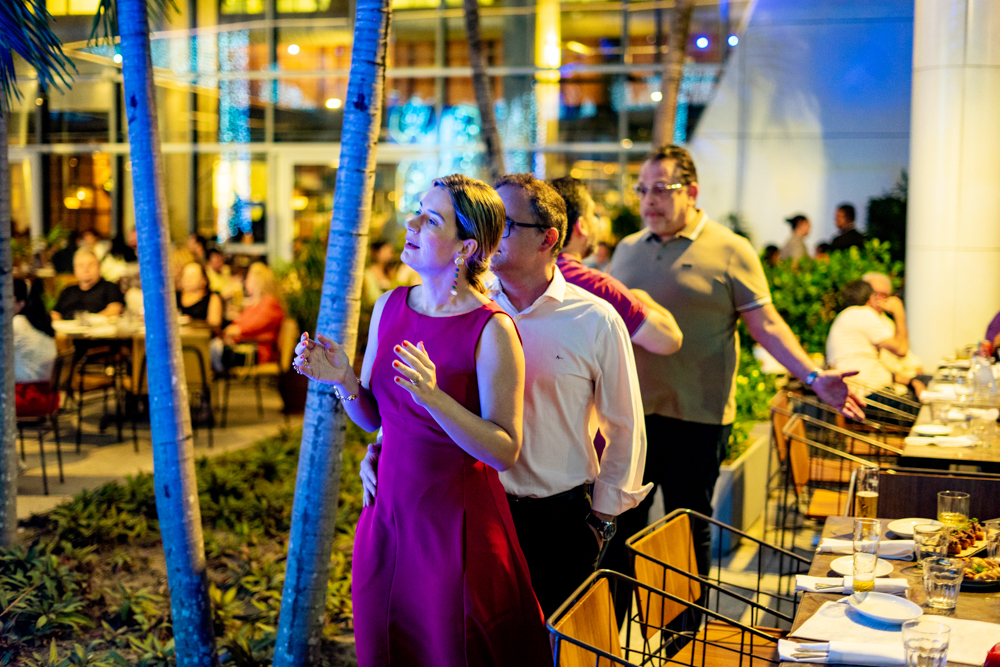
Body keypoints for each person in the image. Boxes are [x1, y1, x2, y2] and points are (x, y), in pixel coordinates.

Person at [293, 174, 550, 667]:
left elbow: (504, 449)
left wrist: (435, 398)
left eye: (431, 219)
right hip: (387, 520)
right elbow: (374, 417)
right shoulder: (390, 305)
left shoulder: (493, 329)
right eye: (417, 210)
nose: (410, 223)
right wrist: (343, 378)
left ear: (466, 248)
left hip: (454, 531)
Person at [605, 145, 865, 605]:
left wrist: (812, 376)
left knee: (687, 530)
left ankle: (685, 636)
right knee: (621, 530)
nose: (649, 200)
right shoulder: (626, 250)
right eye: (642, 189)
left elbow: (766, 325)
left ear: (691, 192)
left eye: (661, 189)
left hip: (697, 419)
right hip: (632, 420)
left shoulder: (730, 249)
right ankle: (610, 634)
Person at [488, 173, 650, 617]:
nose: (490, 234)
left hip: (560, 521)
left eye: (505, 224)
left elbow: (625, 428)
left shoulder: (594, 319)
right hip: (480, 512)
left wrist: (602, 522)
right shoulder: (471, 307)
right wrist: (381, 448)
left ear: (548, 238)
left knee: (558, 642)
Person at [549, 176, 683, 356]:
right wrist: (639, 297)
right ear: (582, 226)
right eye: (593, 214)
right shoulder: (598, 287)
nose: (597, 222)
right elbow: (668, 339)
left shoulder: (531, 275)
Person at [826, 279, 922, 402]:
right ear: (870, 298)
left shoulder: (846, 316)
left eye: (885, 296)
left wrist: (911, 381)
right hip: (871, 397)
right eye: (877, 295)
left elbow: (877, 368)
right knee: (930, 400)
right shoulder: (863, 314)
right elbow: (901, 350)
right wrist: (899, 312)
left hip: (865, 393)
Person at [211, 262, 285, 373]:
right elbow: (240, 323)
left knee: (213, 349)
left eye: (248, 279)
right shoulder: (255, 303)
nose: (245, 282)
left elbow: (253, 325)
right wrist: (234, 331)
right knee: (213, 347)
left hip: (257, 352)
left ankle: (217, 380)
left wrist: (236, 331)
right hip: (246, 347)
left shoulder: (270, 302)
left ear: (257, 281)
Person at [13, 279, 58, 416]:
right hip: (48, 397)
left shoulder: (17, 324)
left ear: (20, 303)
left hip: (27, 398)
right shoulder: (39, 322)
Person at [51, 250, 125, 320]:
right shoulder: (67, 291)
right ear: (75, 270)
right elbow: (54, 313)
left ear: (99, 267)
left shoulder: (110, 288)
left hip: (99, 328)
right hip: (65, 328)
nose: (86, 269)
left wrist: (89, 321)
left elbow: (114, 310)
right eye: (81, 265)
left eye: (91, 265)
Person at [177, 262, 223, 329]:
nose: (187, 280)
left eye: (192, 277)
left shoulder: (212, 297)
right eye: (185, 276)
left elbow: (215, 325)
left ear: (203, 280)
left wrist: (192, 323)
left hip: (202, 334)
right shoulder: (175, 296)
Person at [362, 240, 395, 305]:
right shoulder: (368, 273)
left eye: (391, 252)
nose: (389, 255)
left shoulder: (390, 272)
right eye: (385, 250)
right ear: (377, 252)